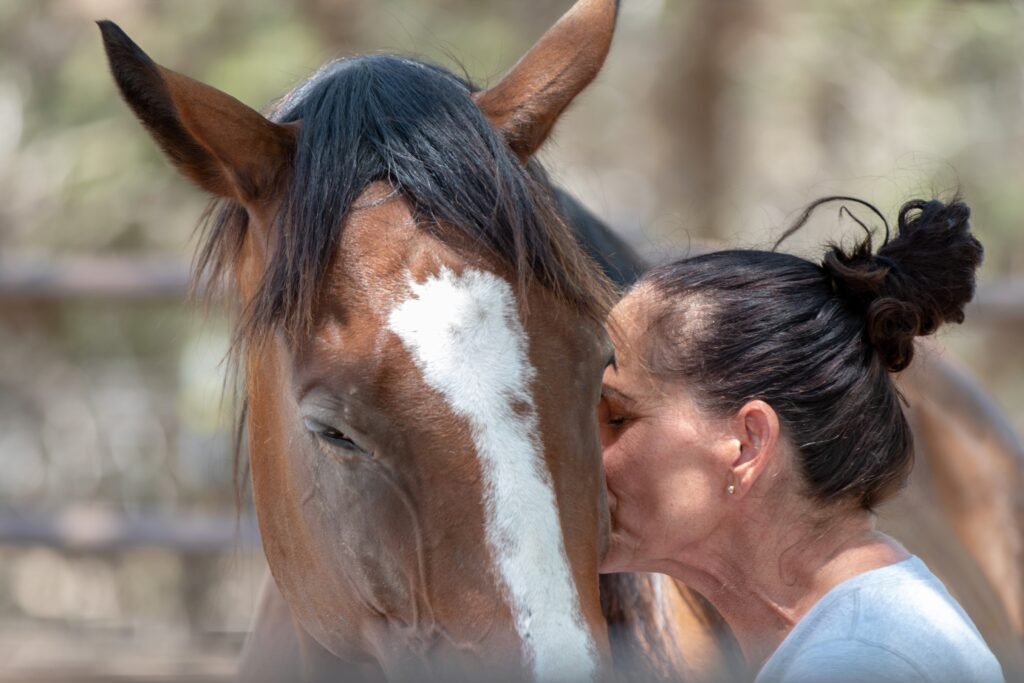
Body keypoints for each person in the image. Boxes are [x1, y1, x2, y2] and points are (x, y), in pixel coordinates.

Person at [597, 196, 1005, 682]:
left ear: (747, 444)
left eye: (616, 417)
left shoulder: (858, 662)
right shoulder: (856, 638)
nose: (582, 449)